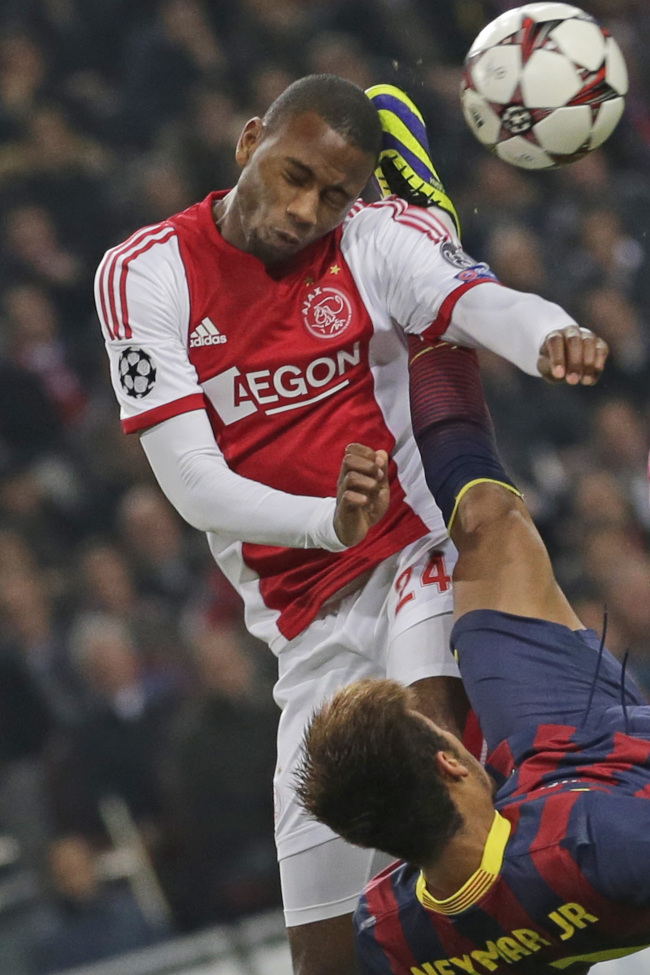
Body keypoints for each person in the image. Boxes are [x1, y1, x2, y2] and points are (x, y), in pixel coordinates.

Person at [95, 74, 607, 975]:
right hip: (306, 634)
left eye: (333, 194)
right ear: (249, 140)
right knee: (323, 958)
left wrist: (550, 330)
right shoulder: (146, 273)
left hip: (416, 558)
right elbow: (193, 486)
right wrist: (325, 521)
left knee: (436, 788)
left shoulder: (373, 239)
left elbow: (481, 305)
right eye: (293, 176)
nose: (305, 210)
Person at [297, 340, 650, 975]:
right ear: (453, 762)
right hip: (599, 757)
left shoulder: (389, 939)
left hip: (531, 802)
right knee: (489, 524)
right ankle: (435, 319)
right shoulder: (609, 840)